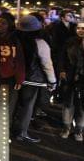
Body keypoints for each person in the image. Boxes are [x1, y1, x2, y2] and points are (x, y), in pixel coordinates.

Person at [15, 15, 57, 143]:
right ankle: (22, 133)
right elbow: (47, 64)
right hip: (32, 80)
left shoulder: (13, 40)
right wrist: (52, 81)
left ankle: (9, 130)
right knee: (27, 107)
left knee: (13, 106)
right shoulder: (40, 43)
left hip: (14, 78)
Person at [0, 12, 25, 123]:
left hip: (9, 78)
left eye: (3, 23)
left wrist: (19, 78)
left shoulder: (14, 41)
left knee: (7, 106)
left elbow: (19, 60)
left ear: (9, 25)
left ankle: (5, 131)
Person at [58, 20, 84, 141]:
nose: (81, 30)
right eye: (79, 28)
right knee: (68, 103)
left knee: (82, 105)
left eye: (83, 28)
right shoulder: (69, 42)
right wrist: (62, 70)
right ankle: (66, 127)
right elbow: (61, 58)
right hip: (69, 77)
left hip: (83, 79)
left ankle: (79, 130)